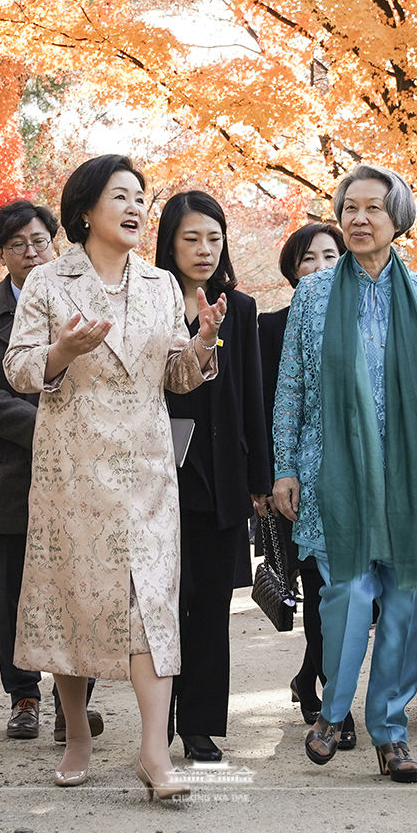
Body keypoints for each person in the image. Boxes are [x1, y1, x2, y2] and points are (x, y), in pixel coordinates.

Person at [2, 155, 224, 797]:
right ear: (85, 209)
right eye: (120, 196)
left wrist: (203, 343)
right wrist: (64, 351)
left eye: (139, 198)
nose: (134, 209)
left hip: (149, 473)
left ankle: (155, 754)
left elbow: (177, 378)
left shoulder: (160, 284)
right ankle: (77, 733)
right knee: (73, 607)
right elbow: (18, 369)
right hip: (72, 471)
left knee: (150, 604)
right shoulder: (48, 282)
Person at [273, 164, 417, 783]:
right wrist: (285, 467)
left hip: (412, 473)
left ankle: (390, 733)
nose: (359, 220)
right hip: (333, 469)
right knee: (347, 592)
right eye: (349, 209)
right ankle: (334, 712)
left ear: (398, 219)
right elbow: (292, 389)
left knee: (405, 603)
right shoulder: (312, 295)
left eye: (373, 209)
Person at [0, 199, 101, 744]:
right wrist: (47, 427)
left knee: (81, 589)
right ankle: (24, 697)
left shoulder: (88, 303)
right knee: (13, 594)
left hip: (84, 477)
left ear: (55, 242)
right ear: (1, 253)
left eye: (41, 241)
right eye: (19, 245)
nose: (33, 252)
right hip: (13, 478)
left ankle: (75, 707)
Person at [155, 191, 270, 763]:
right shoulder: (146, 299)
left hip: (221, 475)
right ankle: (159, 722)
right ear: (169, 242)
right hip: (158, 476)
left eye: (214, 239)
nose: (204, 250)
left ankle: (199, 725)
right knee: (165, 605)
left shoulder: (238, 307)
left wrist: (260, 477)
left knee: (210, 607)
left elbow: (251, 395)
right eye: (191, 238)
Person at [259, 223, 355, 747]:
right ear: (292, 270)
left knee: (354, 595)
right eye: (308, 258)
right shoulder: (271, 327)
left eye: (329, 255)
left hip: (358, 483)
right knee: (320, 593)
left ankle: (310, 678)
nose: (320, 266)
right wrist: (272, 478)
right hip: (296, 483)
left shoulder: (362, 317)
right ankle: (334, 707)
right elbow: (267, 406)